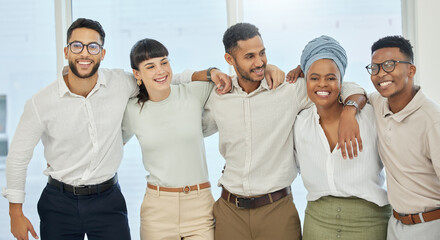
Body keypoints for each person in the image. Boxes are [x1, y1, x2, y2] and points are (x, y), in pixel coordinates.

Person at [1, 18, 238, 240]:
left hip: (107, 200)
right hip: (58, 202)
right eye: (77, 46)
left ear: (102, 53)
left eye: (93, 47)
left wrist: (207, 73)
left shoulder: (120, 83)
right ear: (66, 51)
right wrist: (15, 212)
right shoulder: (41, 102)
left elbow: (161, 79)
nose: (85, 52)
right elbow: (18, 157)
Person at [196, 23, 367, 240]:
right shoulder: (219, 96)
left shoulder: (288, 90)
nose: (259, 62)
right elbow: (192, 125)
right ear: (230, 60)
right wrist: (209, 73)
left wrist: (350, 111)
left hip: (276, 210)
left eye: (262, 53)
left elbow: (344, 87)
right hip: (230, 211)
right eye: (249, 56)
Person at [294, 35, 391, 240]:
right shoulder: (300, 123)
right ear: (306, 80)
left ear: (341, 80)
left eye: (331, 78)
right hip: (317, 222)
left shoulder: (370, 117)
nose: (323, 84)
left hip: (369, 222)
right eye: (314, 78)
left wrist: (350, 110)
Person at [121, 38, 216, 239]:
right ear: (137, 74)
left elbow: (229, 83)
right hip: (157, 211)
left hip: (199, 207)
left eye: (164, 62)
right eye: (150, 66)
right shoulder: (131, 110)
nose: (161, 70)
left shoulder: (193, 93)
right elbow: (108, 143)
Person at [365, 35, 440, 240]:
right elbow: (349, 90)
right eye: (375, 68)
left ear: (411, 70)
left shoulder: (432, 120)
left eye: (389, 65)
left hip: (431, 226)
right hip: (395, 225)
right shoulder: (378, 103)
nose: (381, 74)